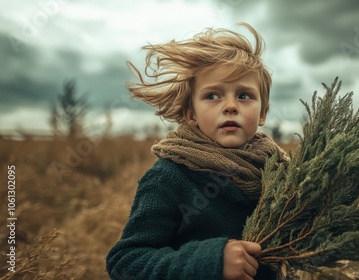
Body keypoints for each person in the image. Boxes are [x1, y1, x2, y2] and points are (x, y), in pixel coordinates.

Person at [106, 22, 289, 280]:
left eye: (244, 96)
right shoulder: (169, 177)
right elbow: (126, 262)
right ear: (190, 114)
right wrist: (210, 262)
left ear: (262, 114)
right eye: (213, 96)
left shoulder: (278, 172)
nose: (230, 106)